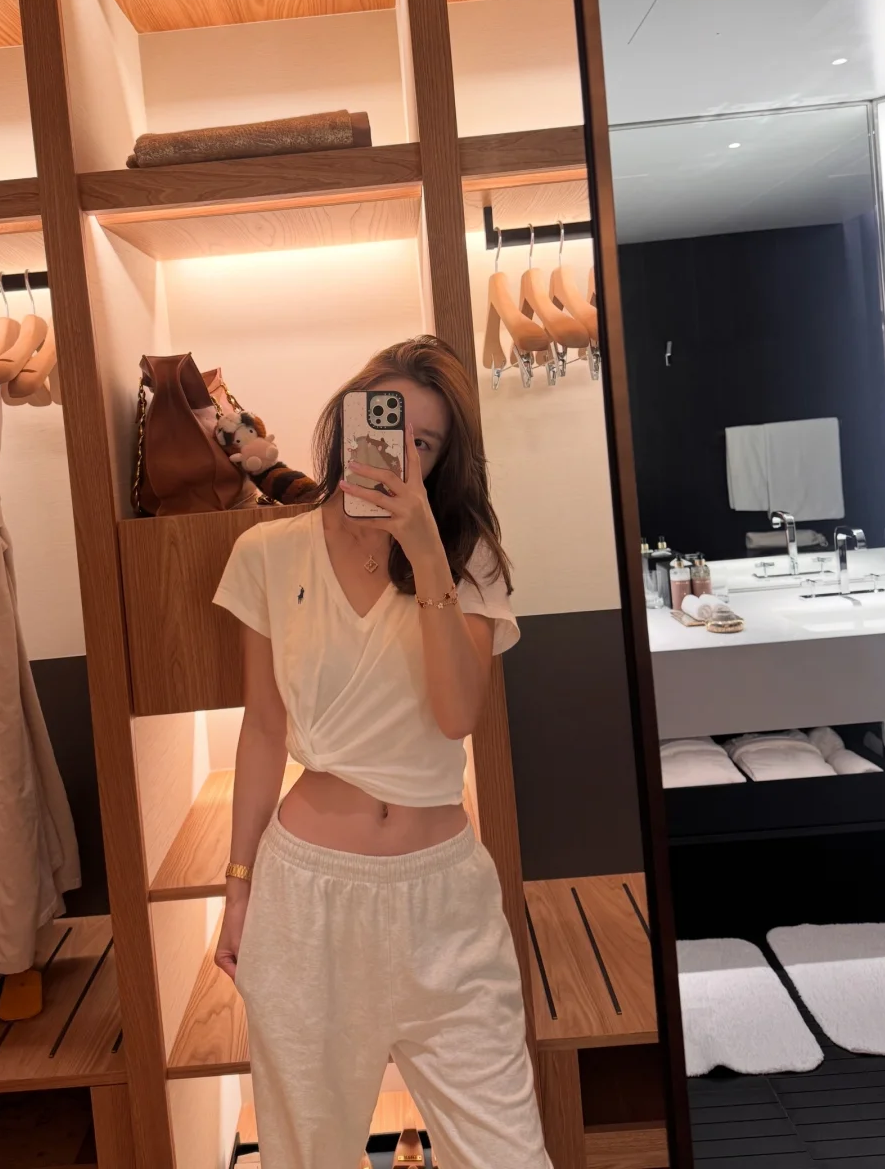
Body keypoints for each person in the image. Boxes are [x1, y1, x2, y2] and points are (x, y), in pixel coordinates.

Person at [213, 336, 551, 1169]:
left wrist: (428, 552)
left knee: (508, 1155)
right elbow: (263, 729)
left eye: (424, 442)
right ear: (349, 424)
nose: (403, 452)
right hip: (307, 905)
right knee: (308, 1155)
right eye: (390, 428)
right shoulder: (268, 552)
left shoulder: (466, 556)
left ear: (441, 460)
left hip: (445, 908)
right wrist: (238, 886)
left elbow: (457, 715)